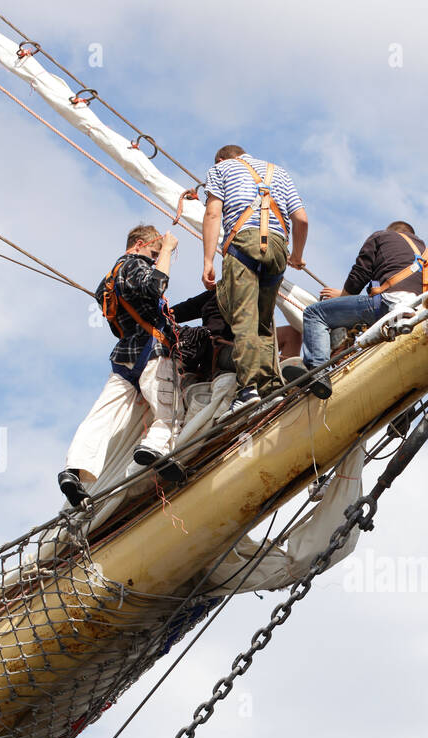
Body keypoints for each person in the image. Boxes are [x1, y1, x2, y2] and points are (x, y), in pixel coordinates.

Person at [58, 225, 182, 507]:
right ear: (138, 244)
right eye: (153, 251)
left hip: (125, 356)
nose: (155, 258)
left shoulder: (106, 283)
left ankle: (73, 470)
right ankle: (154, 449)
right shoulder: (135, 264)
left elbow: (118, 324)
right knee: (170, 412)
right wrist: (167, 249)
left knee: (103, 416)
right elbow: (156, 284)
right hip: (152, 352)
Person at [202, 144, 308, 412]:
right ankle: (271, 387)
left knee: (243, 318)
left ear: (221, 158)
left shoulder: (220, 168)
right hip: (277, 249)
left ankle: (247, 389)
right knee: (263, 323)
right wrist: (297, 255)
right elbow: (301, 219)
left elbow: (213, 213)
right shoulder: (279, 172)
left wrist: (207, 260)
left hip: (243, 245)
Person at [300, 222, 428, 397]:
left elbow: (360, 274)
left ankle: (319, 372)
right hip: (418, 314)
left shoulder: (381, 236)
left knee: (314, 313)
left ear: (393, 231)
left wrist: (343, 297)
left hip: (388, 305)